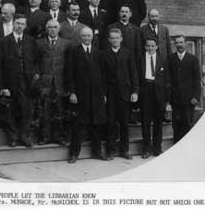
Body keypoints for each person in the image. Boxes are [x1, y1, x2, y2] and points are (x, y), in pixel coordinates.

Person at [0, 14, 39, 148]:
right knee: (11, 109)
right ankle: (13, 137)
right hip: (10, 81)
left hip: (27, 81)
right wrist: (2, 86)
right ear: (13, 24)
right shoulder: (4, 41)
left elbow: (36, 61)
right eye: (17, 23)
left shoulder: (31, 41)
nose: (20, 26)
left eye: (22, 24)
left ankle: (24, 135)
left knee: (27, 109)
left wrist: (35, 76)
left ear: (25, 26)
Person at [67, 26, 108, 163]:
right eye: (83, 36)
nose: (86, 38)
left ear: (92, 37)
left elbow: (103, 75)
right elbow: (70, 74)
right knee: (78, 125)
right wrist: (72, 92)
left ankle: (97, 151)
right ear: (80, 37)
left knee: (96, 124)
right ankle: (74, 154)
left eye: (88, 36)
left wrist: (103, 94)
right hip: (81, 94)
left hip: (96, 94)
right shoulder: (74, 52)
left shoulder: (98, 52)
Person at [102, 28, 139, 160]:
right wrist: (104, 94)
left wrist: (135, 91)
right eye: (112, 38)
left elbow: (133, 73)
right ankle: (110, 151)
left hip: (125, 93)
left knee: (124, 123)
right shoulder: (104, 54)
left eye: (117, 38)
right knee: (111, 122)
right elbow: (102, 76)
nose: (115, 40)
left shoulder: (128, 53)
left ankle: (125, 150)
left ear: (121, 39)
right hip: (110, 93)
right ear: (109, 40)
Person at [36, 20, 71, 145]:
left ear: (59, 29)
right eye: (50, 27)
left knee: (59, 110)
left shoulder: (66, 44)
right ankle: (45, 137)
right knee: (45, 110)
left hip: (60, 82)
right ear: (46, 29)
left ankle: (59, 136)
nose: (52, 29)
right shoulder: (39, 43)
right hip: (45, 82)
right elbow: (36, 62)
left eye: (55, 27)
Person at [108, 5, 142, 124]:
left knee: (129, 93)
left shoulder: (136, 29)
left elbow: (139, 49)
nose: (124, 14)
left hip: (131, 65)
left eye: (126, 12)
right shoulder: (112, 27)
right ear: (119, 13)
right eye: (122, 11)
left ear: (130, 14)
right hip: (115, 63)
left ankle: (131, 115)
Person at [139, 38, 171, 159]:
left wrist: (168, 99)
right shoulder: (140, 59)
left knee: (158, 122)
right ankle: (146, 149)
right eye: (148, 46)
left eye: (153, 46)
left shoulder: (163, 59)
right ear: (145, 47)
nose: (150, 48)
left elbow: (167, 79)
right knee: (146, 122)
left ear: (157, 46)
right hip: (145, 91)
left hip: (159, 94)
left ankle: (157, 148)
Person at [167, 35, 201, 143]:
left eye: (181, 42)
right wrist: (169, 98)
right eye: (177, 43)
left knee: (187, 123)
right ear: (174, 44)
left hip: (189, 98)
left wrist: (196, 96)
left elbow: (197, 79)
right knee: (176, 124)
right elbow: (168, 79)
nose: (179, 45)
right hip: (175, 99)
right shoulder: (170, 58)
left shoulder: (193, 59)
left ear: (185, 43)